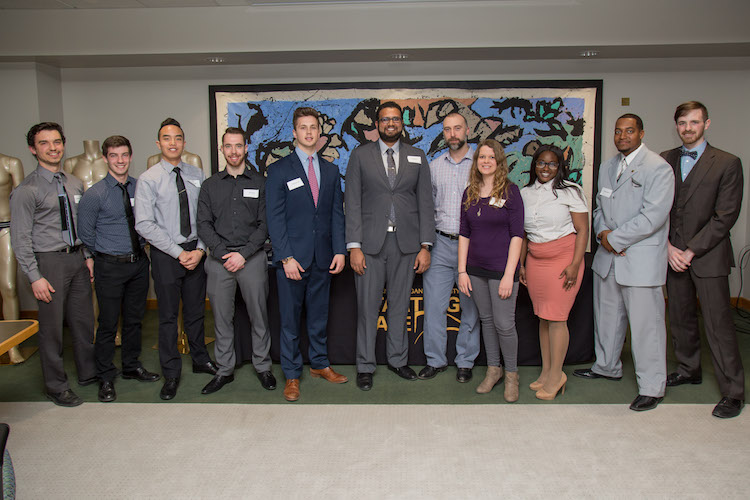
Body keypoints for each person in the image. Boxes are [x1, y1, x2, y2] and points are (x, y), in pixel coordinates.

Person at [573, 114, 674, 412]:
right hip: (608, 257)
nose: (622, 136)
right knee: (607, 318)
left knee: (647, 327)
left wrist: (614, 239)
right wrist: (603, 233)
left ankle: (652, 386)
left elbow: (654, 217)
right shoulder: (607, 167)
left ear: (641, 133)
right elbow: (599, 207)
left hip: (638, 258)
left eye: (629, 131)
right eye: (618, 132)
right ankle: (606, 366)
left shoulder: (658, 168)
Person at [661, 101, 745, 419]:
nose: (688, 128)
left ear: (706, 124)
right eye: (682, 122)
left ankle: (733, 391)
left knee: (718, 324)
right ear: (676, 124)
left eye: (694, 122)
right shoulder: (664, 160)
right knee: (680, 319)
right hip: (672, 255)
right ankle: (688, 369)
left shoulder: (727, 162)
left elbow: (725, 216)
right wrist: (668, 247)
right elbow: (660, 209)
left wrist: (691, 250)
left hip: (707, 256)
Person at [345, 101, 435, 391]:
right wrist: (354, 247)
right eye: (385, 120)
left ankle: (398, 360)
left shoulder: (417, 156)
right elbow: (353, 203)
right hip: (370, 244)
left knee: (400, 307)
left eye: (395, 119)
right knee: (368, 309)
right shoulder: (360, 156)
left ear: (402, 123)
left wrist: (425, 246)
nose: (391, 124)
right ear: (377, 124)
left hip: (406, 245)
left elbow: (425, 202)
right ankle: (365, 366)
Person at [10, 122, 96, 407]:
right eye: (44, 143)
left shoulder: (73, 183)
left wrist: (87, 257)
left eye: (57, 141)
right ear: (33, 149)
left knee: (83, 323)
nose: (53, 147)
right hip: (48, 263)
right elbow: (20, 238)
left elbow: (81, 225)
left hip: (77, 258)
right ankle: (55, 386)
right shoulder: (27, 189)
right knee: (52, 329)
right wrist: (34, 276)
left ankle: (87, 373)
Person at [266, 107, 348, 401]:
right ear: (294, 132)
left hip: (323, 258)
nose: (309, 132)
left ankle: (320, 364)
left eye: (313, 127)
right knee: (289, 320)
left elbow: (336, 215)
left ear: (319, 133)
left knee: (318, 316)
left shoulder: (330, 169)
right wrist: (285, 257)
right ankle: (291, 374)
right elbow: (274, 218)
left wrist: (340, 250)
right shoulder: (279, 170)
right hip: (292, 260)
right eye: (303, 127)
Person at [134, 118, 216, 401]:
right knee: (168, 317)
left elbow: (206, 216)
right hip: (167, 254)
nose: (173, 143)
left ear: (183, 142)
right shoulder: (149, 179)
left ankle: (200, 359)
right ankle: (171, 373)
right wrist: (178, 252)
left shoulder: (196, 173)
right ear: (159, 144)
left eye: (178, 138)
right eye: (167, 138)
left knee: (196, 312)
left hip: (196, 251)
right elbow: (144, 224)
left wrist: (201, 249)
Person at [77, 136, 160, 402]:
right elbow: (85, 233)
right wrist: (106, 251)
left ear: (131, 156)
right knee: (108, 324)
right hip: (110, 266)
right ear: (105, 159)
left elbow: (151, 219)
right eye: (114, 156)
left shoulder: (141, 186)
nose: (120, 160)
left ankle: (131, 366)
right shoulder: (95, 194)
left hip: (138, 264)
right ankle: (105, 376)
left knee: (135, 320)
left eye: (124, 155)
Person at [197, 127, 275, 395]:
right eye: (228, 146)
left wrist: (243, 254)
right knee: (221, 318)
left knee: (259, 316)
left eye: (238, 146)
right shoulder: (210, 185)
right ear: (222, 149)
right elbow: (203, 225)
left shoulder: (261, 182)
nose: (233, 151)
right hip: (219, 261)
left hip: (252, 258)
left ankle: (263, 367)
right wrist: (223, 253)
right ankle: (224, 370)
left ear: (246, 148)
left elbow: (265, 225)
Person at [519, 145, 588, 400]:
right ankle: (547, 372)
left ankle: (557, 375)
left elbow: (582, 231)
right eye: (541, 163)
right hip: (536, 259)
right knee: (543, 317)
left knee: (557, 318)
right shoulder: (524, 193)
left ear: (560, 167)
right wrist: (523, 264)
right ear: (534, 164)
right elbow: (524, 235)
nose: (546, 168)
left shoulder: (571, 192)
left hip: (564, 259)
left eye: (552, 164)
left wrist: (575, 263)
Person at [457, 139, 524, 402]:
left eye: (491, 157)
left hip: (501, 271)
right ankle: (493, 370)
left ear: (499, 162)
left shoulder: (511, 192)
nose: (485, 161)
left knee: (504, 325)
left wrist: (510, 274)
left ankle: (511, 375)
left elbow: (517, 235)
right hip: (475, 269)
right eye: (481, 157)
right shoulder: (469, 192)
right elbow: (464, 233)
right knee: (485, 320)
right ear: (476, 162)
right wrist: (462, 271)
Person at [419, 112, 480, 383]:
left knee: (471, 308)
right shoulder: (433, 166)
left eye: (457, 128)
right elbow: (427, 208)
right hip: (441, 243)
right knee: (433, 307)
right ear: (443, 133)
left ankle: (465, 361)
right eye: (447, 130)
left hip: (475, 247)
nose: (453, 134)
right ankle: (435, 360)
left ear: (467, 129)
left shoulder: (483, 162)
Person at [0, 153, 25, 364]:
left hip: (5, 227)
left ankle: (12, 347)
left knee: (8, 287)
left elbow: (21, 202)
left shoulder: (10, 163)